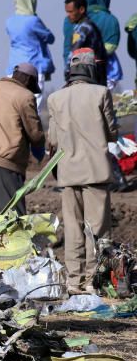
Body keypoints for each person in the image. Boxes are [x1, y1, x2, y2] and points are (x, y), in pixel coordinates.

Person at [46, 49, 117, 294]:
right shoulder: (101, 93)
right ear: (91, 69)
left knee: (73, 228)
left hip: (68, 173)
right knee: (96, 229)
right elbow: (112, 132)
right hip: (96, 172)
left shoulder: (55, 98)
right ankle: (92, 281)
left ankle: (73, 281)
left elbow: (52, 139)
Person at [0, 63, 44, 215]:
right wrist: (41, 147)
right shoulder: (24, 95)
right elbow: (35, 134)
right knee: (14, 216)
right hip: (7, 163)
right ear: (28, 80)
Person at [5, 0, 55, 107]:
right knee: (34, 102)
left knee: (14, 102)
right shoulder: (33, 21)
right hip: (33, 65)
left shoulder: (9, 21)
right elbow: (50, 38)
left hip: (14, 66)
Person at [64, 0, 108, 86]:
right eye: (67, 12)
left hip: (88, 75)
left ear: (81, 10)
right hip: (96, 75)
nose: (68, 15)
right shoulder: (87, 25)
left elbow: (74, 51)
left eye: (71, 12)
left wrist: (68, 70)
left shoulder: (84, 28)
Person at [87, 0, 123, 89]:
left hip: (85, 67)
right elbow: (112, 45)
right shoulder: (111, 20)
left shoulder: (83, 19)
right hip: (108, 68)